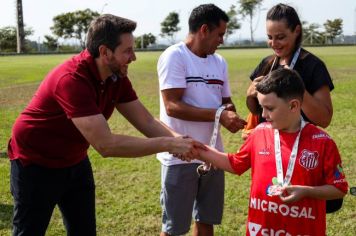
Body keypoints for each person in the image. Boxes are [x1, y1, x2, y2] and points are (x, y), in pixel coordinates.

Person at [7, 14, 204, 236]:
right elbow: (106, 145)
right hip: (35, 163)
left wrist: (180, 141)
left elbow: (146, 121)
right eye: (127, 51)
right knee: (28, 232)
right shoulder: (72, 79)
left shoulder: (116, 77)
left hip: (74, 160)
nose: (134, 57)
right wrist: (169, 144)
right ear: (104, 52)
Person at [191, 68, 348, 235]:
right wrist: (199, 150)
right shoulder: (259, 133)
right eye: (261, 107)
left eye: (270, 108)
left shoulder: (322, 141)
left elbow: (339, 189)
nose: (263, 114)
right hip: (262, 229)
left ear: (293, 105)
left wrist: (306, 191)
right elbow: (235, 163)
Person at [157, 4, 246, 236]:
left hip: (213, 153)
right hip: (180, 155)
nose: (222, 41)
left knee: (206, 220)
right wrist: (218, 114)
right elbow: (172, 106)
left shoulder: (220, 62)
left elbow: (225, 101)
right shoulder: (174, 56)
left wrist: (231, 114)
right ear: (204, 30)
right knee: (174, 228)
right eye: (220, 34)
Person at [244, 3, 334, 140]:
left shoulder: (313, 66)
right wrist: (250, 95)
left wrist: (296, 87)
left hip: (301, 148)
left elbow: (324, 119)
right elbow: (256, 111)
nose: (274, 43)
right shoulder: (267, 64)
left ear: (296, 31)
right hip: (268, 147)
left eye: (280, 37)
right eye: (269, 37)